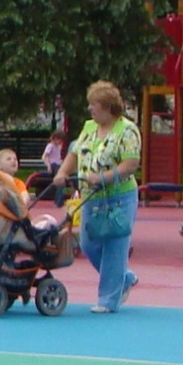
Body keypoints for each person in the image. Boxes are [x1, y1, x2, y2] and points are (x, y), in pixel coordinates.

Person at [61, 79, 140, 312]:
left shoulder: (126, 130)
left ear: (107, 107)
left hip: (119, 197)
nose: (90, 108)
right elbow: (75, 153)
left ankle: (108, 300)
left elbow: (130, 164)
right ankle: (124, 278)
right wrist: (62, 172)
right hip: (91, 196)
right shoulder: (88, 128)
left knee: (115, 246)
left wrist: (104, 177)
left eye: (93, 104)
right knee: (88, 243)